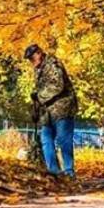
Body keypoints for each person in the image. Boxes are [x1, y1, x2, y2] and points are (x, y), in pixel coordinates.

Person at [24, 44, 78, 177]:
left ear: (39, 53)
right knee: (46, 140)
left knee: (63, 140)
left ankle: (69, 172)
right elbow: (40, 91)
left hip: (62, 108)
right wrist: (35, 109)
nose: (32, 62)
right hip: (47, 112)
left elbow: (58, 86)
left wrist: (40, 96)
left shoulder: (53, 64)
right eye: (30, 59)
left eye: (32, 58)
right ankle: (54, 172)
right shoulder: (39, 70)